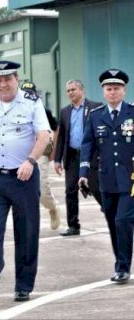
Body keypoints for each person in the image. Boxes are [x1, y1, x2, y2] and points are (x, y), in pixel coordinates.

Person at [0, 60, 50, 305]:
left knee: (25, 233)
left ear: (16, 79)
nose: (3, 84)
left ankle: (23, 286)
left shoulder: (32, 102)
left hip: (23, 177)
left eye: (7, 79)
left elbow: (44, 135)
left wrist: (30, 160)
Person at [79, 69, 134, 284]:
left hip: (131, 179)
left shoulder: (132, 112)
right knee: (113, 223)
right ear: (103, 92)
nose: (113, 92)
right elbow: (87, 146)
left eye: (117, 88)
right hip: (106, 178)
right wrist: (83, 173)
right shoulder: (95, 116)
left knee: (122, 221)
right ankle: (121, 260)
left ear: (124, 90)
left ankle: (122, 267)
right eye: (109, 89)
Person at [54, 80, 103, 236]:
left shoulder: (96, 107)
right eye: (68, 90)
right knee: (70, 191)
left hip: (91, 156)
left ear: (81, 90)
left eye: (73, 89)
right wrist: (57, 159)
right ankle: (74, 226)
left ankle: (114, 214)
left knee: (96, 188)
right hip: (72, 156)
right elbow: (61, 137)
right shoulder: (64, 112)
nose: (70, 93)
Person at [21, 81, 61, 230]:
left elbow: (56, 129)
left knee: (43, 191)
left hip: (40, 155)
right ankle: (29, 226)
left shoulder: (44, 110)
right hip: (20, 156)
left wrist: (53, 151)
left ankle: (53, 208)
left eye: (31, 94)